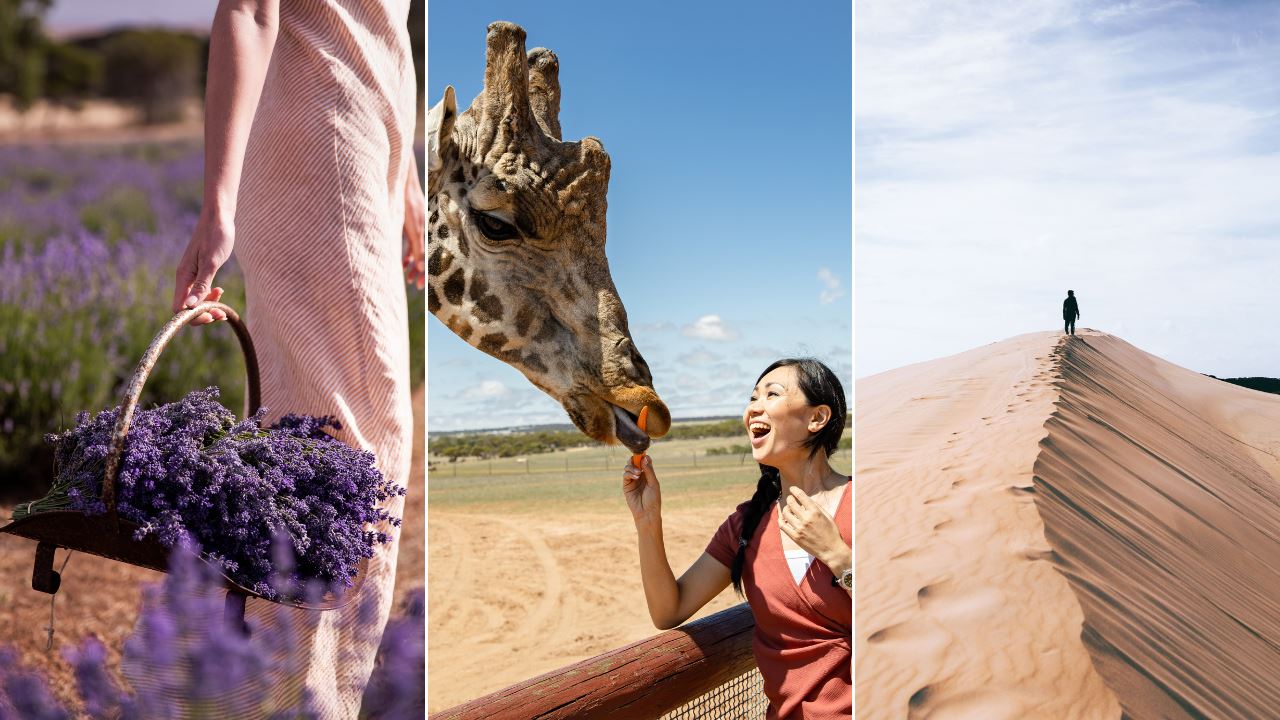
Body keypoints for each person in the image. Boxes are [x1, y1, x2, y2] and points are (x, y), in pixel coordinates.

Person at [162, 0, 422, 717]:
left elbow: (379, 27)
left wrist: (405, 181)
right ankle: (305, 696)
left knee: (319, 429)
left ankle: (283, 688)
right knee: (353, 438)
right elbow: (247, 9)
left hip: (367, 145)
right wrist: (218, 205)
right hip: (316, 145)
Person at [622, 358, 852, 719]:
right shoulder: (746, 525)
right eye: (752, 398)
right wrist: (647, 520)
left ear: (817, 418)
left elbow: (909, 613)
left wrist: (838, 556)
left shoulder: (868, 503)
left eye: (772, 394)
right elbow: (669, 610)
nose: (753, 408)